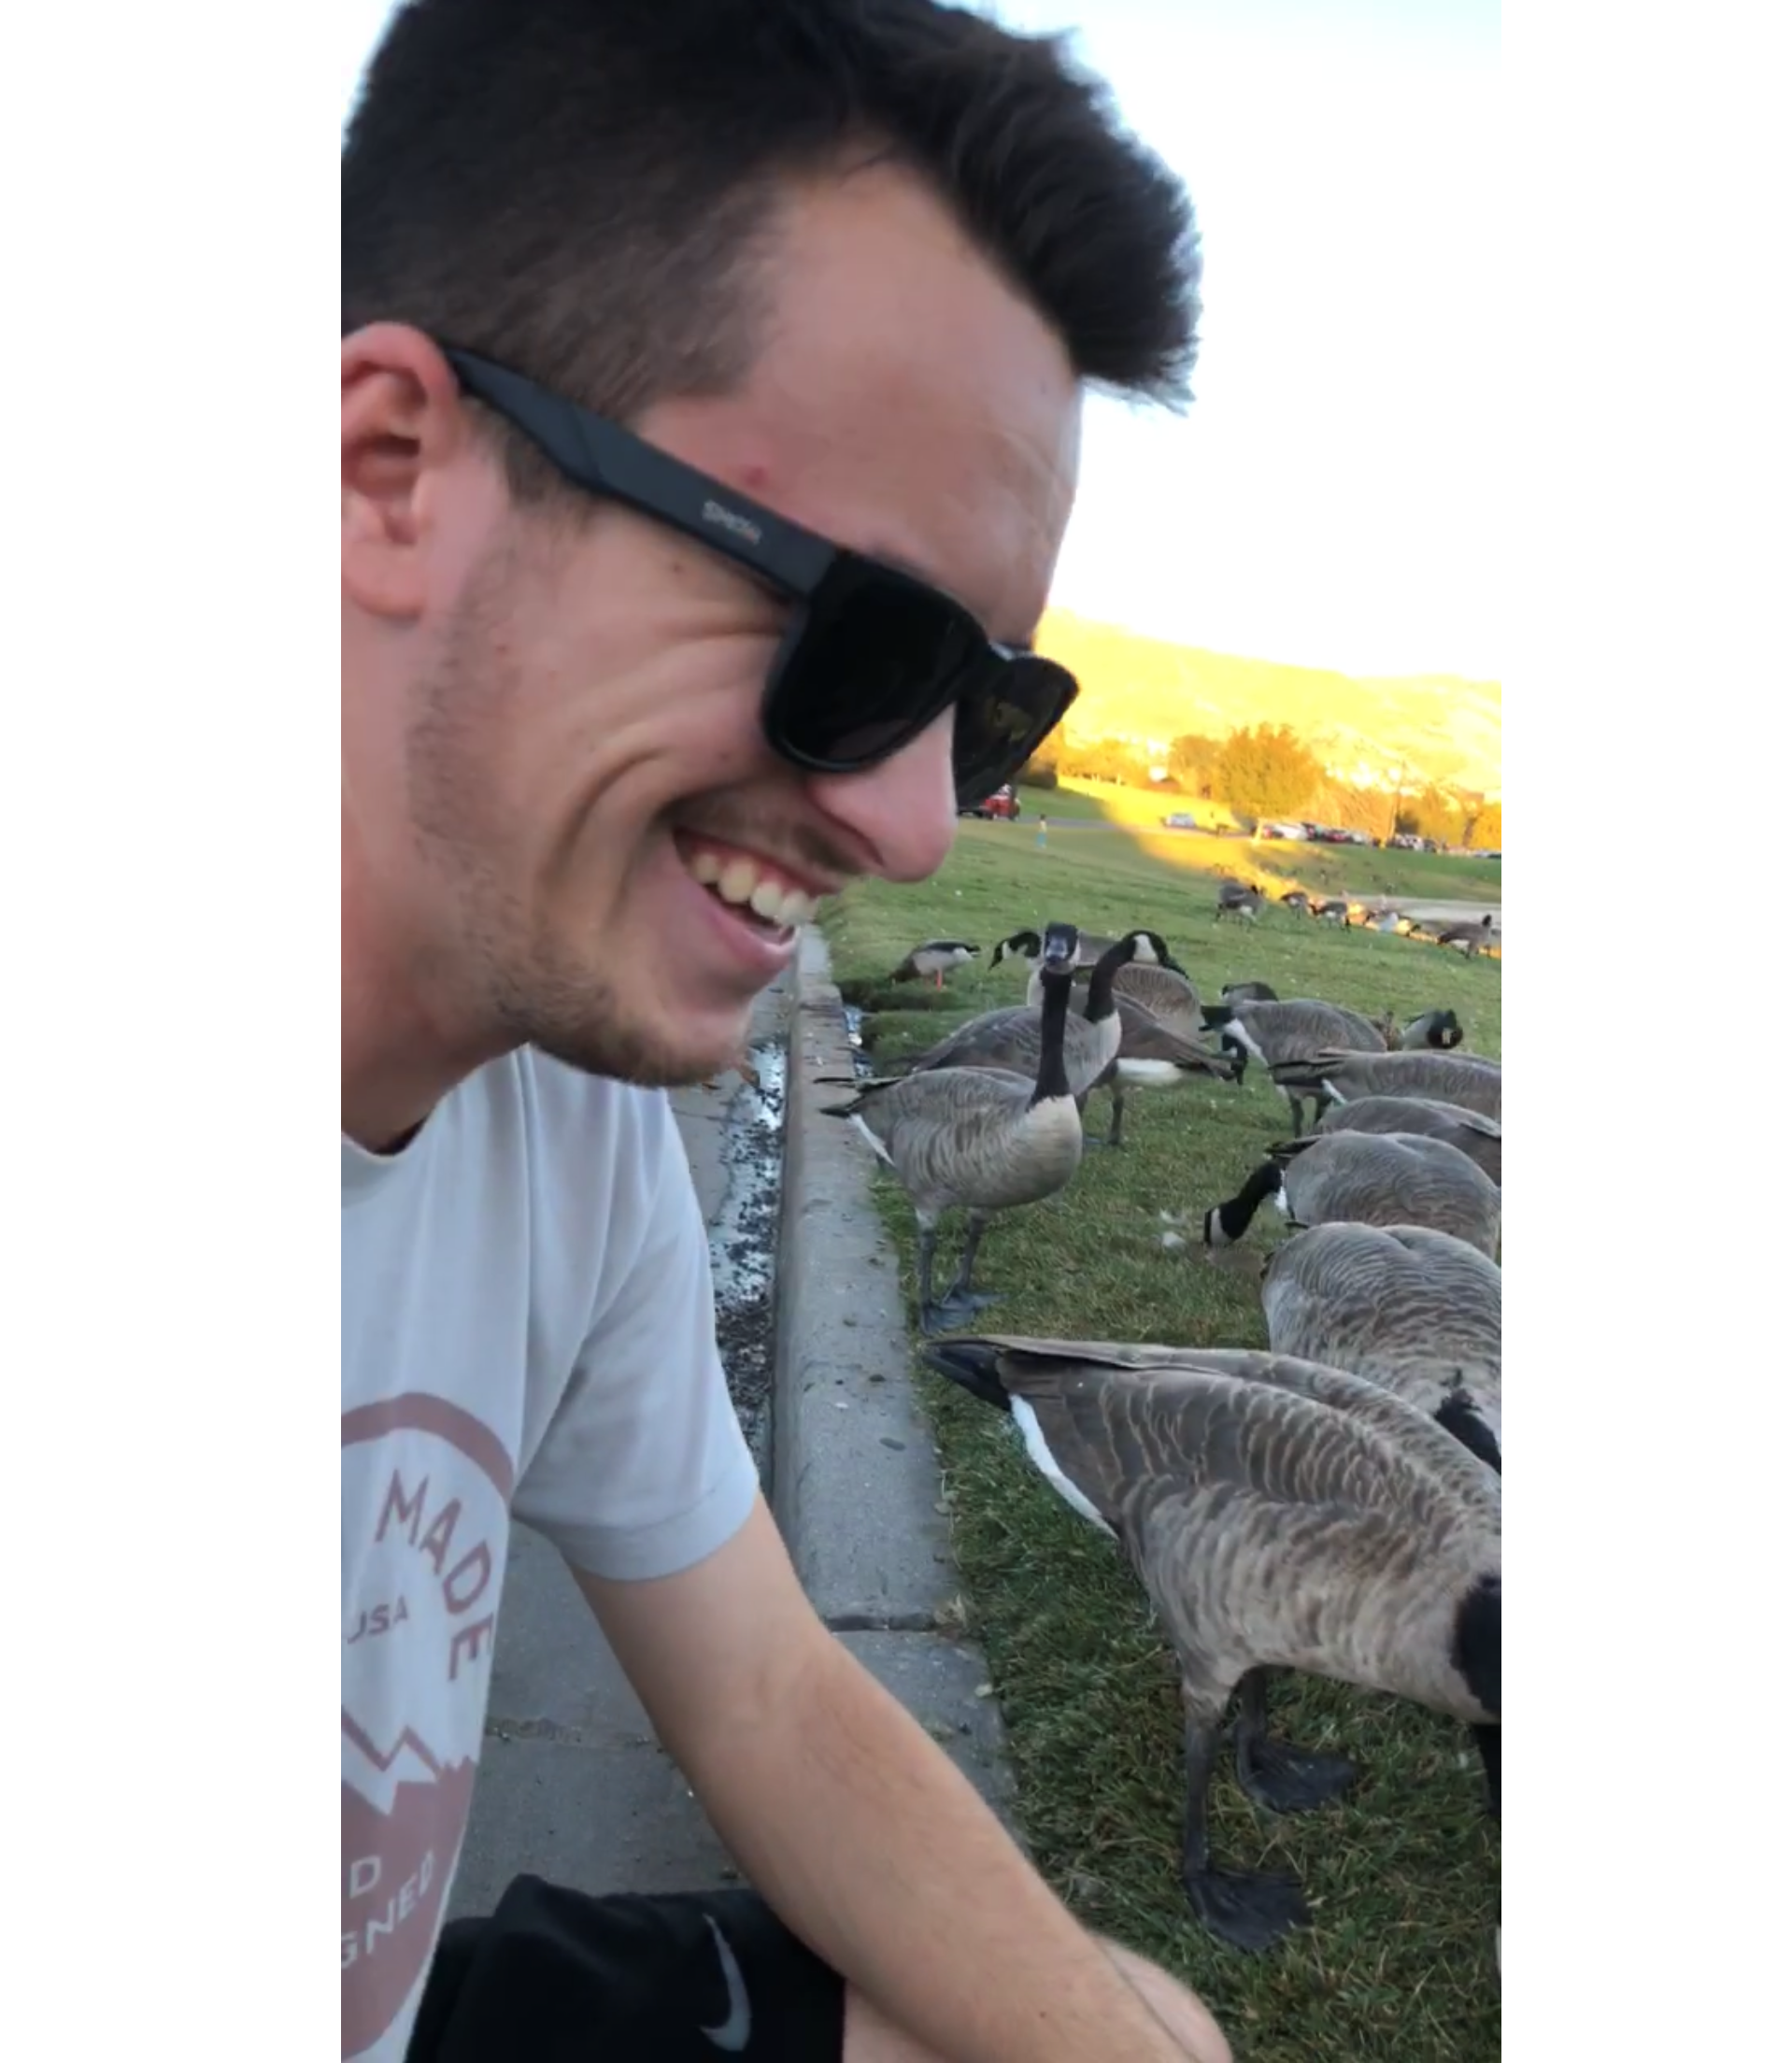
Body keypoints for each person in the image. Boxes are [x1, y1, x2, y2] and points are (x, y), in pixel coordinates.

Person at [341, 4, 1224, 2060]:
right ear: (392, 470)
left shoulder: (550, 1104)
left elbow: (758, 1686)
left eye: (988, 711)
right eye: (861, 642)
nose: (915, 826)